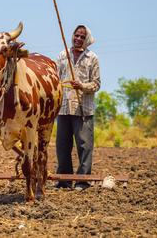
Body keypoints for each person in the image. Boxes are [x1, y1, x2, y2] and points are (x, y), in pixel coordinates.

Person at [55, 25, 100, 190]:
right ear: (72, 36)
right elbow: (55, 79)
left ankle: (82, 181)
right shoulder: (62, 55)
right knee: (62, 146)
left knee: (84, 146)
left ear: (87, 40)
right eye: (76, 35)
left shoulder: (92, 58)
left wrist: (81, 86)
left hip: (83, 109)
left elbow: (96, 84)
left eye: (82, 37)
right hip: (64, 108)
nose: (78, 39)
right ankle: (64, 181)